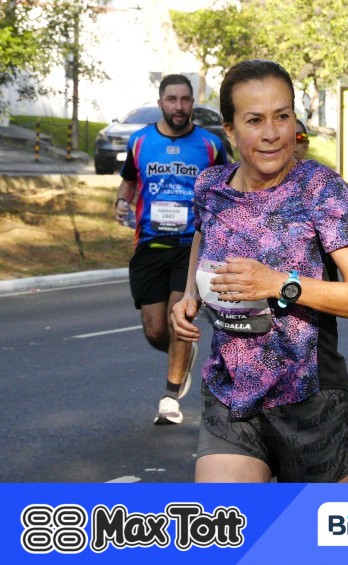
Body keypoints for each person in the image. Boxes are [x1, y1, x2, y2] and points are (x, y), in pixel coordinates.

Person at [170, 59, 348, 483]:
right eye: (255, 120)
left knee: (309, 529)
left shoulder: (319, 189)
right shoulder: (211, 187)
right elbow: (202, 236)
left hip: (309, 397)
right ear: (230, 130)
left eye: (282, 117)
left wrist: (277, 283)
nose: (272, 133)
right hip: (231, 393)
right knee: (223, 521)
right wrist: (190, 294)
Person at [113, 74, 227, 425]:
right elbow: (129, 181)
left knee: (179, 319)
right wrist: (121, 201)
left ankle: (169, 397)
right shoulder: (140, 141)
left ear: (193, 102)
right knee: (155, 330)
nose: (179, 106)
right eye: (172, 99)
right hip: (149, 244)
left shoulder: (210, 144)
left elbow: (228, 187)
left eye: (185, 99)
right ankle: (184, 352)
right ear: (160, 102)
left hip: (191, 247)